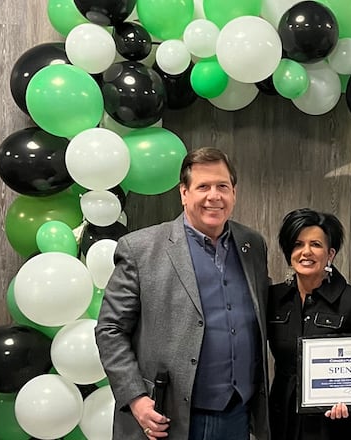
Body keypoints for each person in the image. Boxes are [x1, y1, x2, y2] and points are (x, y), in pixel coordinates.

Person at [95, 147, 270, 440]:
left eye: (222, 187)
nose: (214, 196)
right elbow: (110, 329)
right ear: (184, 193)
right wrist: (136, 399)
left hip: (238, 415)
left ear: (234, 193)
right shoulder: (140, 249)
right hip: (169, 419)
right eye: (203, 186)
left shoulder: (252, 244)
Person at [267, 208, 351, 440]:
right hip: (281, 420)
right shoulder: (273, 299)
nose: (306, 252)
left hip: (333, 425)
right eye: (298, 244)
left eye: (315, 244)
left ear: (330, 254)